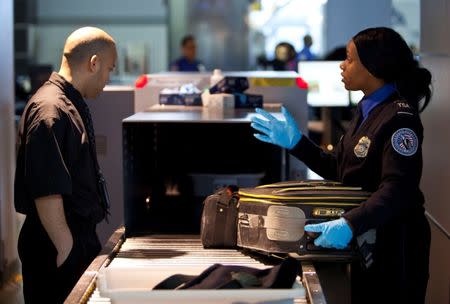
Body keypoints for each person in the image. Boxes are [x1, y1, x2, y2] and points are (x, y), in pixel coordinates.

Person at [251, 27, 431, 304]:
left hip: (396, 244)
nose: (342, 65)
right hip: (368, 238)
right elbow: (343, 169)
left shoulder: (399, 119)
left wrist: (350, 223)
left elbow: (398, 189)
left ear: (373, 66)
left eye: (349, 59)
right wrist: (297, 143)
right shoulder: (367, 108)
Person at [14, 26, 117, 303]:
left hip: (70, 239)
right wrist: (66, 249)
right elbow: (46, 189)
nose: (108, 78)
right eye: (109, 69)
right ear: (93, 63)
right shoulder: (51, 110)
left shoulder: (67, 103)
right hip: (57, 245)